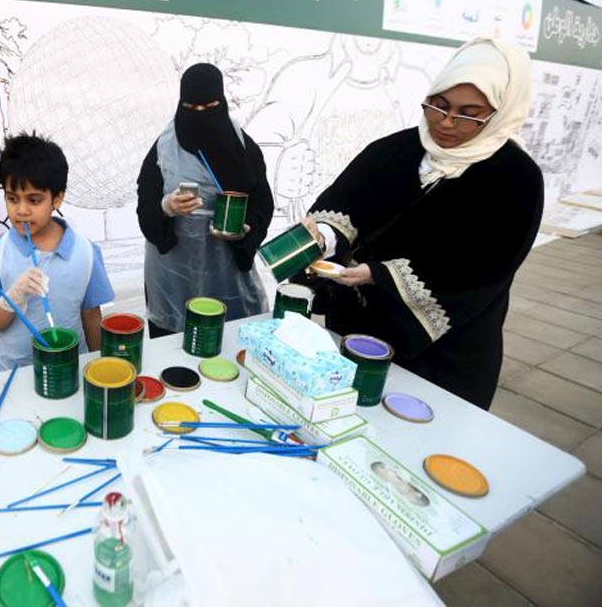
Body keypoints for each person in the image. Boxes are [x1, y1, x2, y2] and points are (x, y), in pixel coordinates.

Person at [303, 38, 542, 410]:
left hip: (444, 352)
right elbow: (346, 203)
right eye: (439, 105)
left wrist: (379, 274)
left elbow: (484, 265)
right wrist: (325, 236)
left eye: (469, 114)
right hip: (359, 327)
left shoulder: (516, 178)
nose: (446, 122)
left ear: (499, 113)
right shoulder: (394, 150)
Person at [137, 63, 274, 338]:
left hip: (226, 273)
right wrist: (166, 208)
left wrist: (246, 230)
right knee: (173, 349)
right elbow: (145, 205)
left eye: (209, 107)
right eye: (192, 108)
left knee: (228, 342)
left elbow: (262, 205)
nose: (201, 116)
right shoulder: (164, 149)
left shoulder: (243, 150)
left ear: (221, 102)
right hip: (173, 275)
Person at [0, 133, 115, 371]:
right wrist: (12, 299)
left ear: (57, 199)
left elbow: (91, 316)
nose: (21, 210)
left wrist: (98, 366)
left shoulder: (85, 252)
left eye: (34, 200)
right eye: (12, 198)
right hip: (13, 372)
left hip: (70, 368)